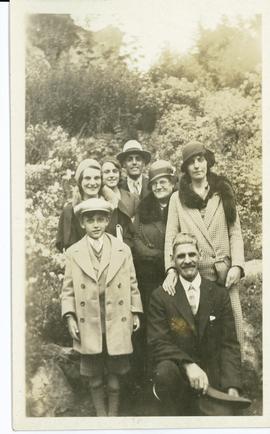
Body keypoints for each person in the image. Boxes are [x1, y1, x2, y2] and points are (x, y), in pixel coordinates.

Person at [61, 198, 143, 417]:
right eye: (90, 220)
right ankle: (100, 417)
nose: (95, 225)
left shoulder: (122, 250)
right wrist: (69, 316)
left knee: (116, 374)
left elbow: (132, 283)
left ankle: (113, 417)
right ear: (82, 223)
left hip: (116, 317)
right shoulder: (74, 252)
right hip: (88, 320)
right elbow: (67, 289)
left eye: (100, 219)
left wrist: (135, 311)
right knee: (94, 375)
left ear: (107, 220)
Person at [148, 233, 245, 416]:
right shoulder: (161, 297)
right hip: (180, 377)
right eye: (181, 256)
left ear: (199, 255)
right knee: (165, 371)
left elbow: (229, 343)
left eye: (192, 254)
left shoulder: (218, 294)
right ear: (173, 260)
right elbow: (158, 342)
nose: (187, 261)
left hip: (212, 378)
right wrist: (187, 364)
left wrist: (233, 386)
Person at [163, 141, 245, 351]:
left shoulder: (223, 192)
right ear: (186, 169)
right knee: (202, 330)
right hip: (195, 274)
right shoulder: (177, 199)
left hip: (225, 275)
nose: (197, 166)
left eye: (200, 160)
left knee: (231, 327)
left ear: (208, 162)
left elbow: (234, 232)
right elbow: (171, 237)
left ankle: (235, 376)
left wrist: (237, 266)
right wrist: (172, 269)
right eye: (191, 162)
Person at [56, 158, 134, 251]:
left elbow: (128, 237)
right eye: (87, 178)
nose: (92, 183)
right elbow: (67, 247)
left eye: (97, 178)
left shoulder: (114, 206)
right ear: (80, 181)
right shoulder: (70, 211)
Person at [133, 160, 177, 310]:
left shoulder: (182, 204)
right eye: (154, 184)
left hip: (178, 269)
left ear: (172, 183)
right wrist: (157, 255)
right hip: (150, 273)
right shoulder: (144, 208)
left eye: (163, 182)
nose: (158, 187)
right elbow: (136, 238)